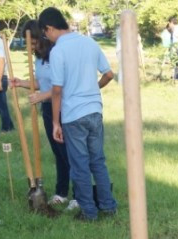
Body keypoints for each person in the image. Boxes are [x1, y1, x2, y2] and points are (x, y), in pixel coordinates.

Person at [39, 6, 118, 221]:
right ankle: (108, 206)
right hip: (95, 110)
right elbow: (109, 74)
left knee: (80, 165)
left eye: (45, 33)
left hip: (73, 115)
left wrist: (56, 122)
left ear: (49, 28)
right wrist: (92, 89)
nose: (46, 38)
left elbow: (57, 90)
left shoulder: (58, 51)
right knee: (98, 161)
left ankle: (89, 212)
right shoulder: (89, 42)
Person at [12, 20, 75, 211]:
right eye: (28, 44)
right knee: (58, 152)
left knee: (69, 153)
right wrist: (21, 82)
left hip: (64, 108)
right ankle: (61, 192)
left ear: (42, 37)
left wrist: (43, 95)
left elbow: (62, 85)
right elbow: (42, 82)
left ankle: (80, 195)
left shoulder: (57, 54)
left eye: (32, 42)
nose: (30, 46)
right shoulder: (40, 59)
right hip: (48, 109)